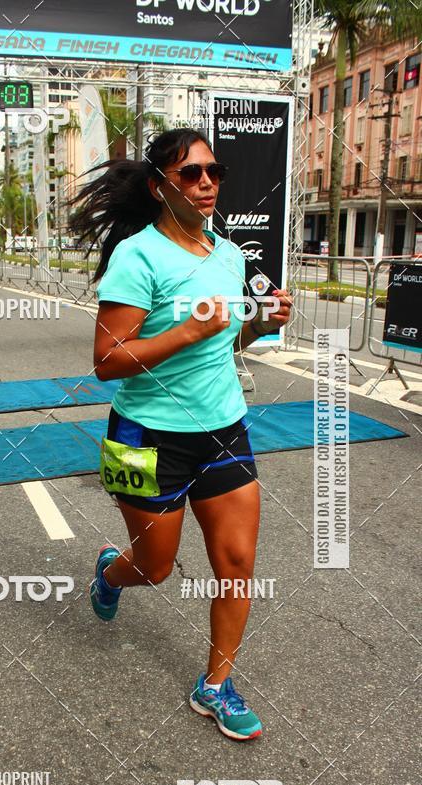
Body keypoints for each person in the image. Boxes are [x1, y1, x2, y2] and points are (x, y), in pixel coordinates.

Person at [71, 128, 292, 741]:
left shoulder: (229, 255)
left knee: (237, 563)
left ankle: (215, 686)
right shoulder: (137, 256)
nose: (206, 183)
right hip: (144, 434)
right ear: (158, 185)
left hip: (223, 428)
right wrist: (185, 335)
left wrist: (261, 325)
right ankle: (112, 571)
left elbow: (228, 343)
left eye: (214, 172)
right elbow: (108, 359)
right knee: (156, 568)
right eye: (190, 173)